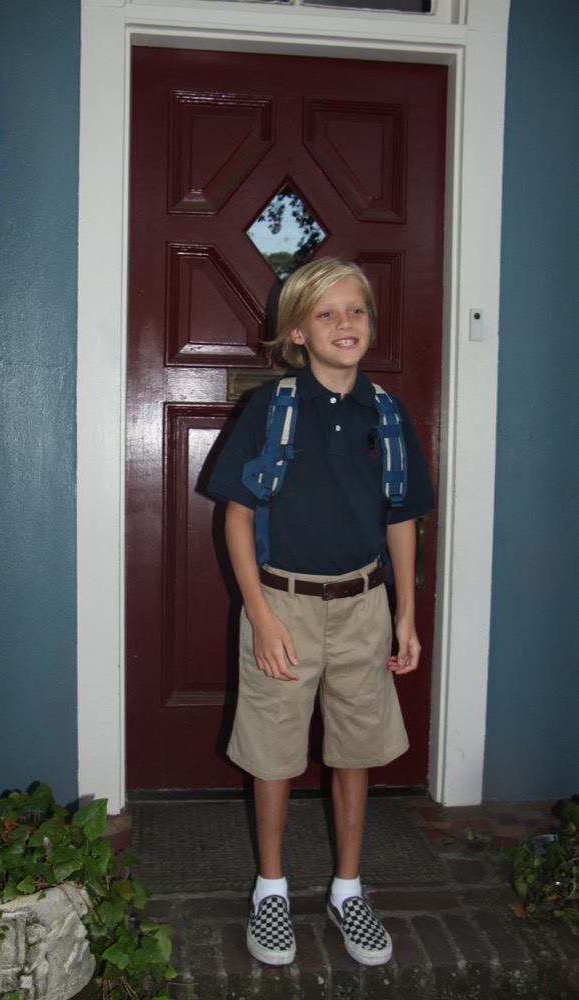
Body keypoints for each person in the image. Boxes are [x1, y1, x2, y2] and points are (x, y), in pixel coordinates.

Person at [208, 257, 434, 968]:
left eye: (356, 310)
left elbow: (401, 517)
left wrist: (405, 612)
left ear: (371, 324)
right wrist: (261, 615)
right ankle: (271, 890)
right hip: (283, 606)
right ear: (299, 332)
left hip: (363, 608)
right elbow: (237, 515)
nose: (345, 323)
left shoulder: (387, 415)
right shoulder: (272, 409)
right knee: (273, 752)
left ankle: (347, 889)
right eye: (327, 313)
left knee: (356, 751)